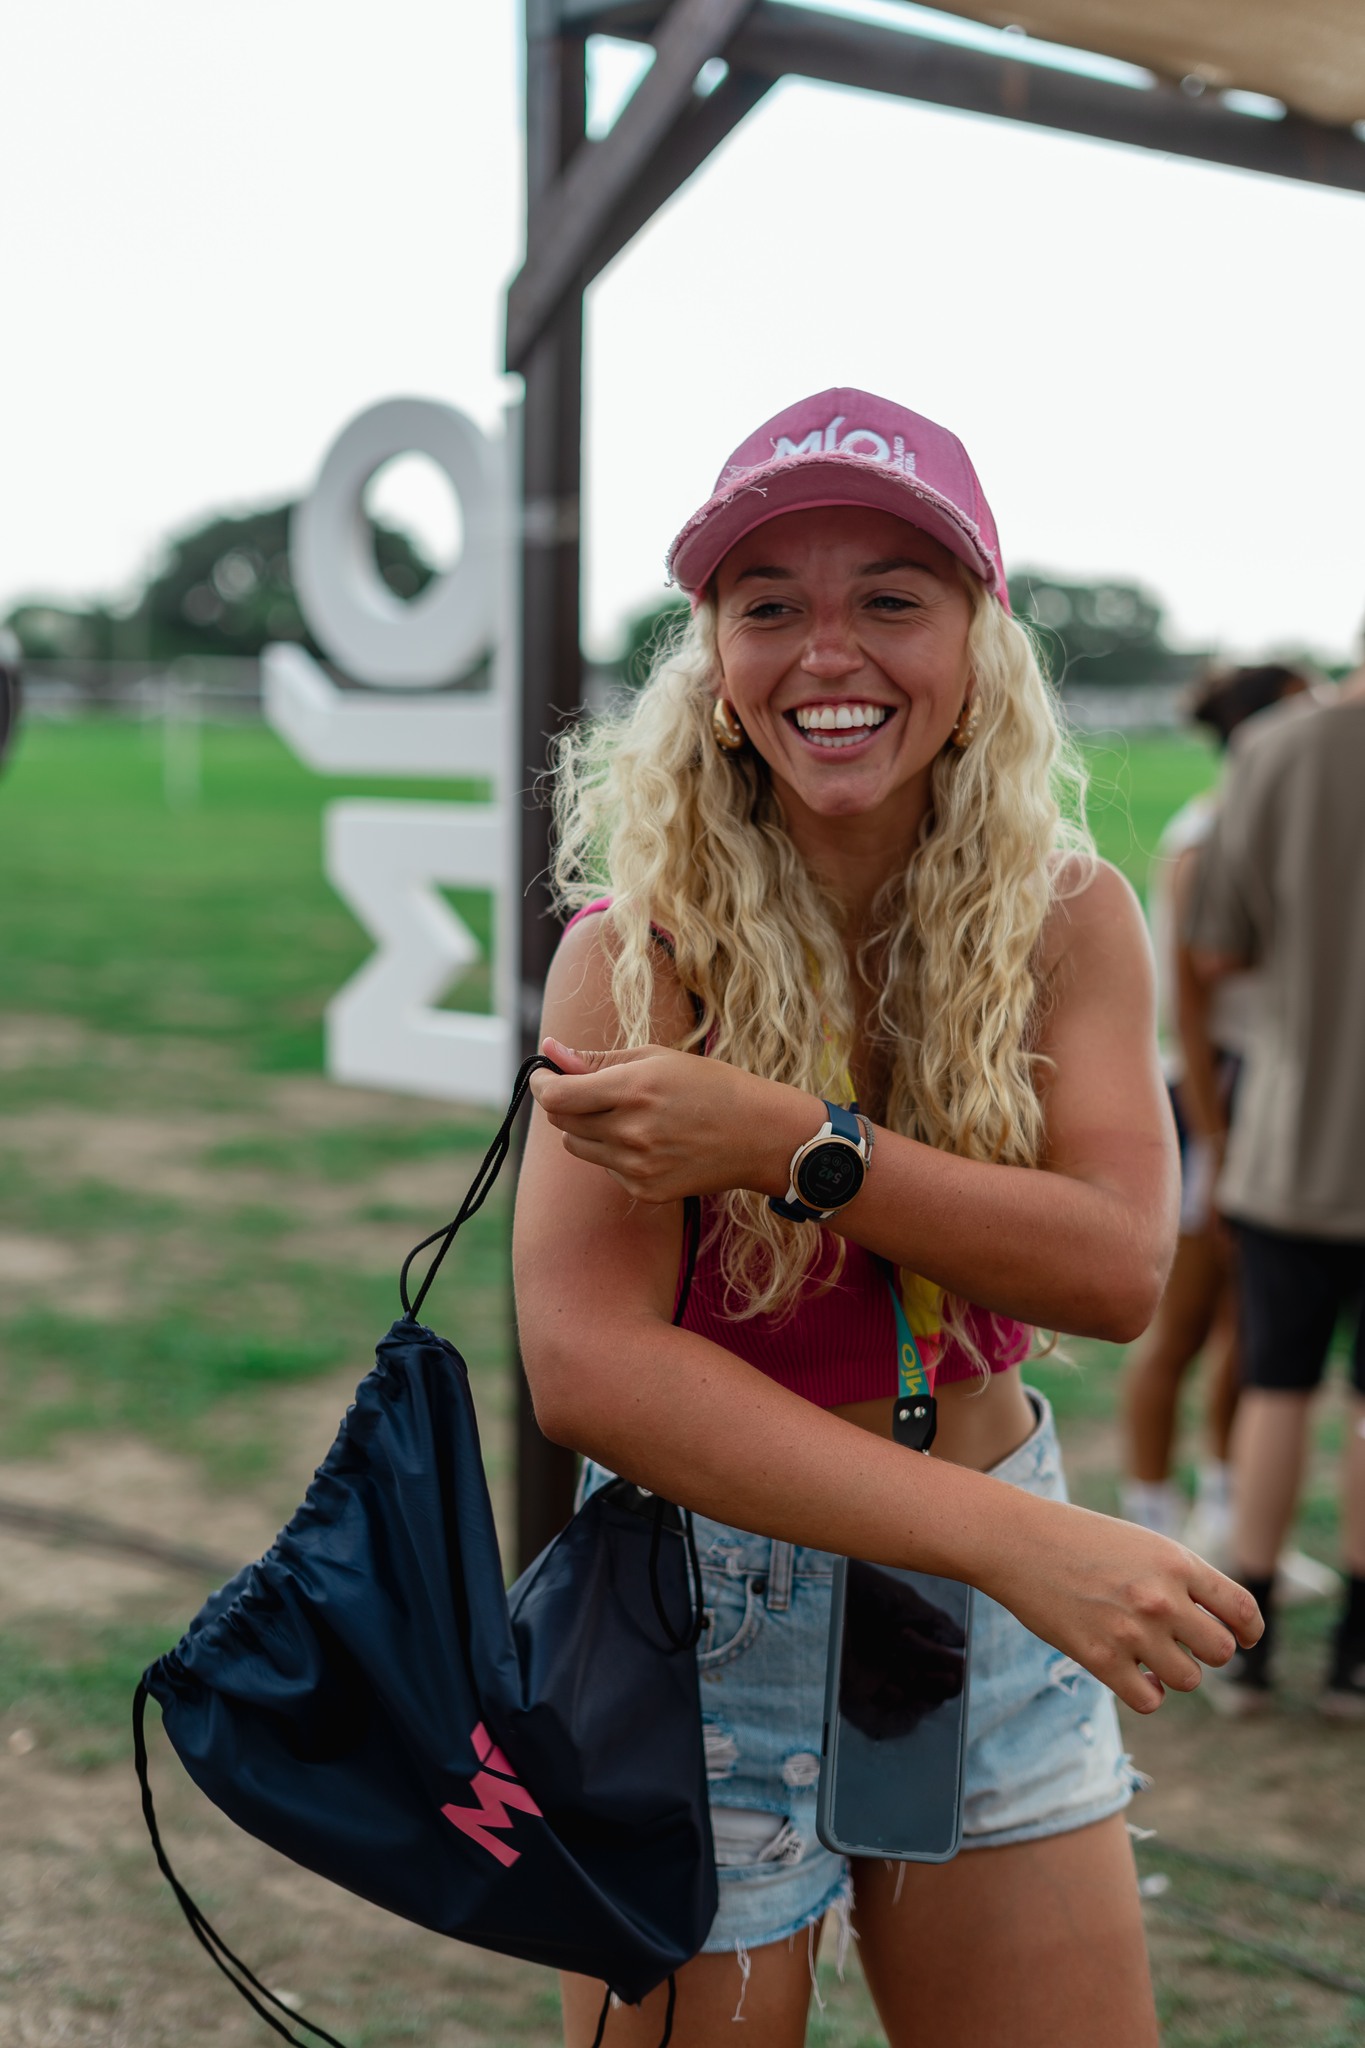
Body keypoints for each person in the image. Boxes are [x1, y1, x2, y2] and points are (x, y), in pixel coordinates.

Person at [513, 388, 1260, 2047]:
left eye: (891, 599)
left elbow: (1117, 1267)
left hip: (989, 1602)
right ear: (713, 662)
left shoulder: (1068, 915)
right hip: (705, 1611)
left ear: (981, 642)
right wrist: (1018, 1544)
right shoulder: (635, 951)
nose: (827, 653)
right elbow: (588, 1368)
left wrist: (794, 1141)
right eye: (768, 605)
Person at [1187, 649, 1365, 1719]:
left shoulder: (1271, 751)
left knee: (1276, 1384)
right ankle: (1355, 1653)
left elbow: (1215, 948)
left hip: (1292, 1136)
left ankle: (1247, 1644)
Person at [1121, 665, 1312, 1565]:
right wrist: (1216, 1137)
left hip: (1264, 1088)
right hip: (1214, 1095)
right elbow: (1190, 1017)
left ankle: (1227, 1524)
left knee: (1249, 1326)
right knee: (1182, 1326)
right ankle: (1146, 1522)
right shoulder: (1206, 836)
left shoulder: (1265, 824)